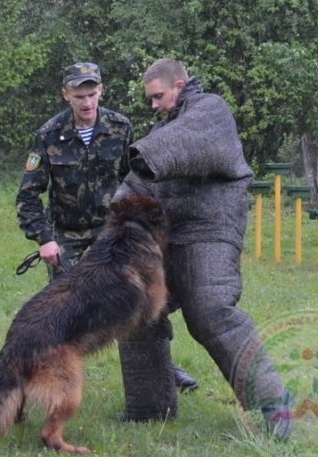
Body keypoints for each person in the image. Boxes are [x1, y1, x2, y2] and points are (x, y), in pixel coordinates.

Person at [113, 58, 293, 438]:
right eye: (149, 99)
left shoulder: (211, 111)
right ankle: (149, 408)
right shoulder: (164, 128)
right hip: (167, 234)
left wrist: (146, 158)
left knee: (210, 310)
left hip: (210, 230)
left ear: (179, 85)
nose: (153, 105)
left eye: (158, 96)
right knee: (136, 308)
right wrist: (119, 206)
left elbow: (177, 146)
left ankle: (275, 407)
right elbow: (139, 179)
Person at [15, 62, 198, 393]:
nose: (87, 103)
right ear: (66, 95)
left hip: (113, 232)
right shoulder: (48, 135)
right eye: (79, 96)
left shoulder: (119, 126)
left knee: (138, 301)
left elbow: (138, 179)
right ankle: (39, 381)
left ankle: (162, 369)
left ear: (101, 92)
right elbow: (27, 196)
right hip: (66, 235)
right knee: (64, 315)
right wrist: (44, 239)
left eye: (92, 94)